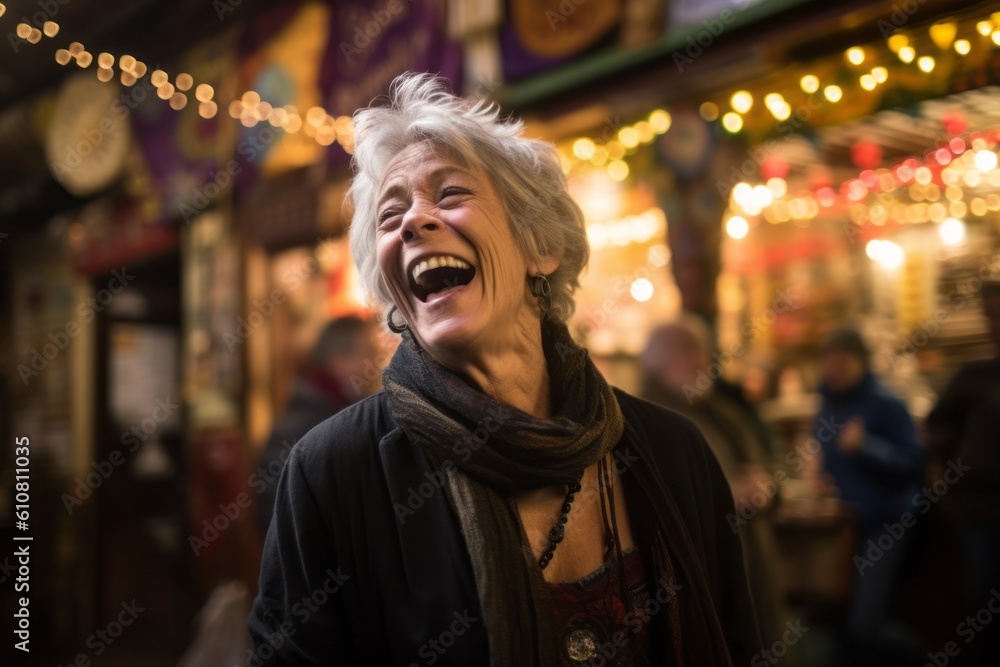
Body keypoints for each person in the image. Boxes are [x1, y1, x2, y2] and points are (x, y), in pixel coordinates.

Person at [248, 73, 761, 665]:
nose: (414, 222)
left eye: (450, 194)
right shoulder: (332, 472)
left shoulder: (675, 453)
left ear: (540, 248)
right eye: (390, 216)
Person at [640, 317, 790, 659]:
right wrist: (725, 499)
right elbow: (651, 515)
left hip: (756, 576)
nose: (700, 361)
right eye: (686, 350)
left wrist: (768, 488)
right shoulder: (647, 424)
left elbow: (769, 469)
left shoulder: (724, 413)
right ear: (656, 360)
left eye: (703, 350)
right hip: (704, 592)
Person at [814, 327, 924, 664]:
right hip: (843, 525)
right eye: (829, 359)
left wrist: (867, 447)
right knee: (834, 617)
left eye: (843, 358)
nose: (836, 366)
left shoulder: (885, 402)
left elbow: (913, 462)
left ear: (861, 361)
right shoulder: (827, 403)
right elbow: (827, 457)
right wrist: (822, 477)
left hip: (885, 521)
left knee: (864, 624)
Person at [926, 280, 1000, 666]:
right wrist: (946, 479)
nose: (993, 321)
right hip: (978, 510)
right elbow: (935, 428)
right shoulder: (973, 375)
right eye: (989, 313)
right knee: (979, 602)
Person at [256, 316, 380, 536]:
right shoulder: (310, 421)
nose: (376, 359)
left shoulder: (334, 410)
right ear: (339, 359)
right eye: (368, 351)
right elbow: (275, 512)